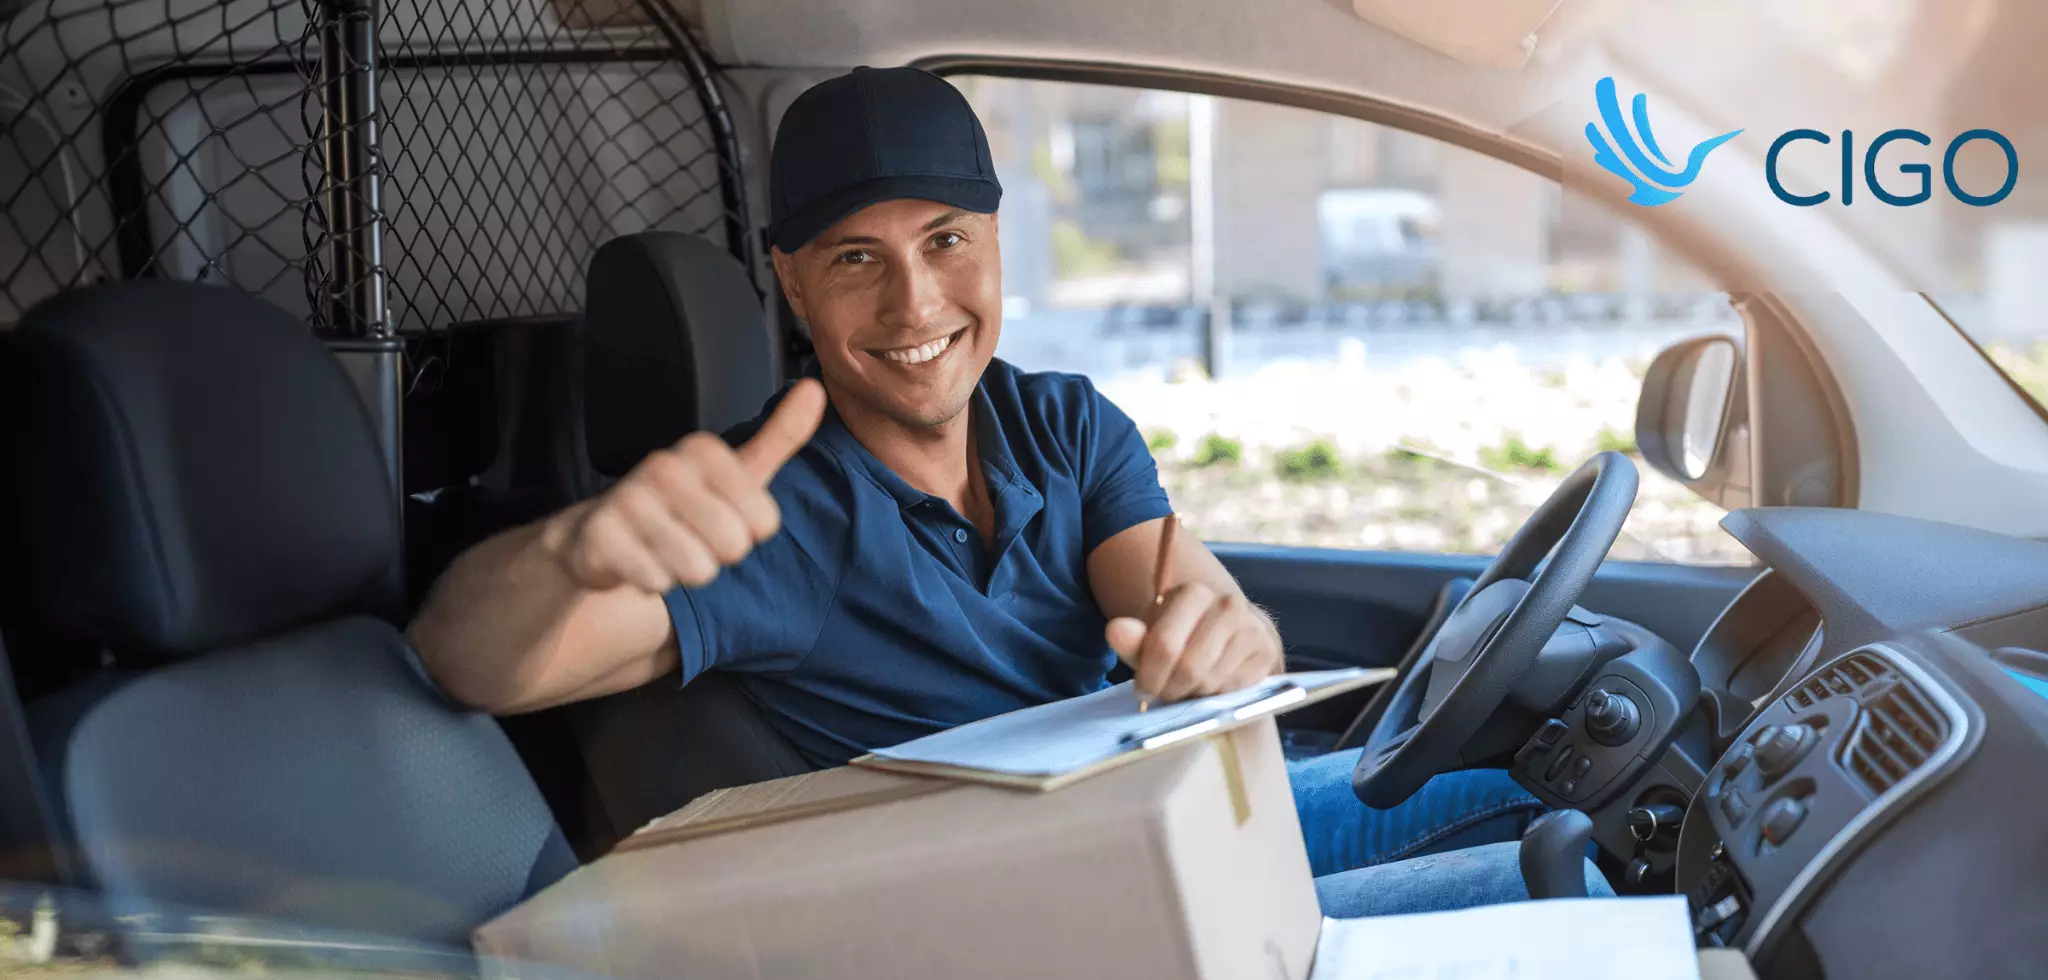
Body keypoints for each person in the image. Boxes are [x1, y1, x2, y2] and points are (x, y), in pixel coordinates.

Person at [408, 66, 1603, 914]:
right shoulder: (768, 509)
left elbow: (1185, 601)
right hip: (1055, 913)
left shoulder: (1064, 422)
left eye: (942, 242)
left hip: (1183, 815)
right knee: (1567, 887)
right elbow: (469, 662)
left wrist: (1228, 642)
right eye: (854, 260)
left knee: (1550, 785)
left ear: (993, 235)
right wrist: (572, 554)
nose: (915, 307)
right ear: (790, 283)